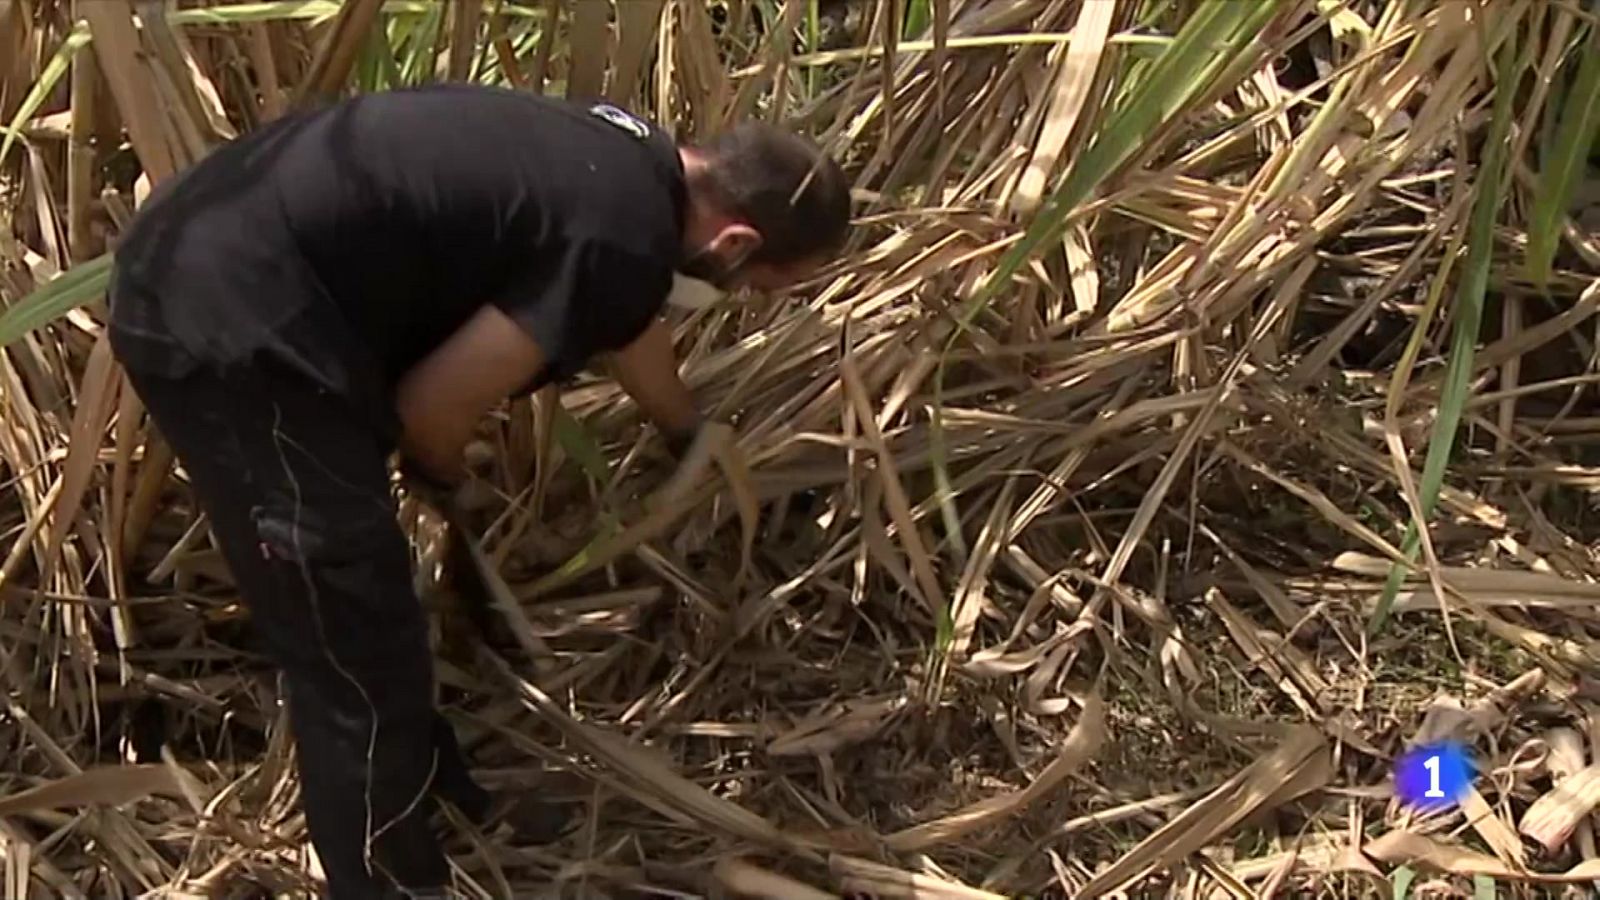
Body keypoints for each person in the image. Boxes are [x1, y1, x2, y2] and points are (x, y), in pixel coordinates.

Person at [105, 83, 850, 899]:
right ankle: (391, 884)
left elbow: (626, 320)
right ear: (737, 243)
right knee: (356, 642)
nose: (734, 298)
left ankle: (433, 792)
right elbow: (432, 405)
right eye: (753, 286)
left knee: (368, 609)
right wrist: (442, 482)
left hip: (220, 253)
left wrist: (688, 431)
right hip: (235, 323)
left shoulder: (629, 156)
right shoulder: (627, 238)